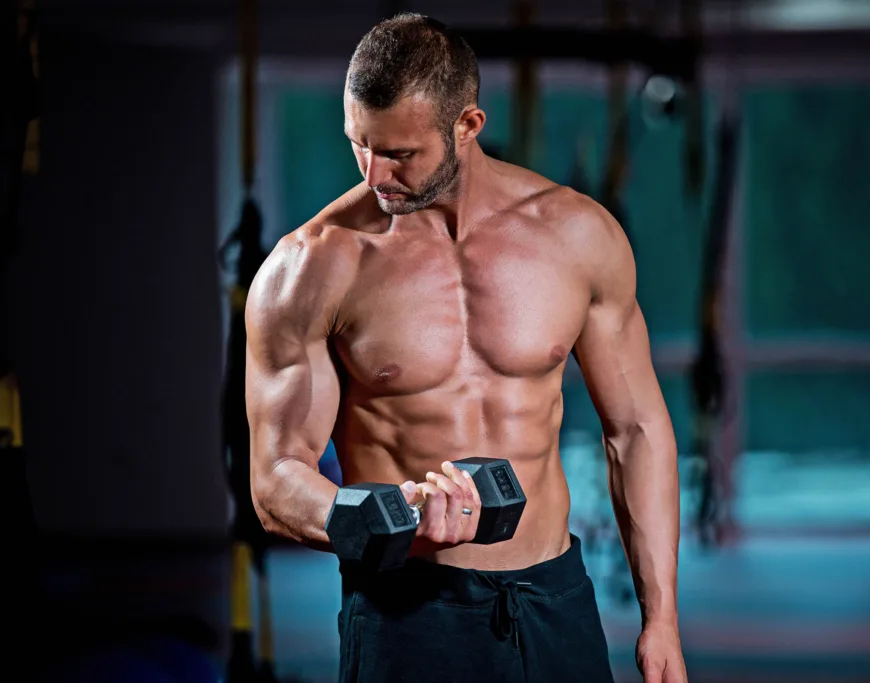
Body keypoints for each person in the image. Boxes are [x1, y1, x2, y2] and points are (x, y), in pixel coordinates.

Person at [244, 13, 687, 683]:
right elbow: (276, 477)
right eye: (359, 144)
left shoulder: (577, 236)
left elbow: (636, 430)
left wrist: (662, 619)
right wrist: (381, 517)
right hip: (405, 609)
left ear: (467, 125)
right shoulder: (311, 267)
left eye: (400, 153)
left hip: (552, 600)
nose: (374, 173)